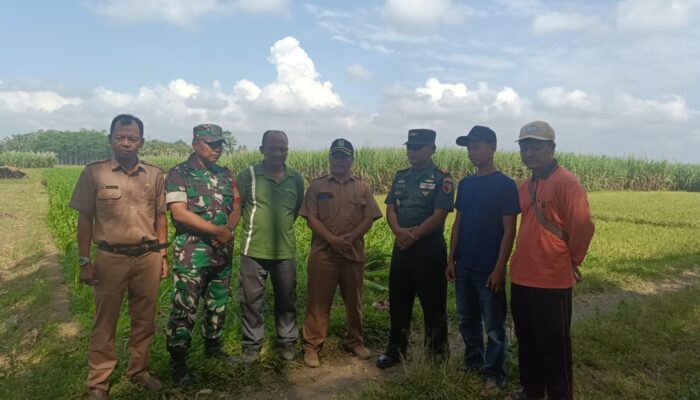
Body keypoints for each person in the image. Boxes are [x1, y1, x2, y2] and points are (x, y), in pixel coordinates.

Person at [69, 114, 168, 400]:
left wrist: (162, 256)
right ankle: (98, 383)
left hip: (147, 257)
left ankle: (139, 371)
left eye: (132, 138)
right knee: (105, 321)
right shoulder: (94, 173)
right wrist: (85, 260)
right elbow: (85, 219)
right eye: (120, 137)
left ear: (142, 142)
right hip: (109, 258)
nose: (126, 143)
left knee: (145, 319)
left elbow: (161, 217)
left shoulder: (154, 175)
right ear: (110, 139)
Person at [506, 121, 595, 400]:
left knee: (554, 345)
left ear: (551, 148)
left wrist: (572, 260)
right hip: (522, 275)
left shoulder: (567, 183)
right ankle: (532, 391)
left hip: (551, 279)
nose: (529, 153)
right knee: (527, 340)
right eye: (524, 147)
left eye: (536, 146)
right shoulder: (527, 185)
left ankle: (560, 395)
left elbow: (583, 226)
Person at [165, 124, 241, 386]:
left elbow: (237, 203)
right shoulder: (179, 173)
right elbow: (179, 213)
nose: (216, 148)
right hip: (191, 255)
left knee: (217, 303)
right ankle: (178, 361)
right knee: (184, 309)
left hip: (221, 253)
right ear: (196, 143)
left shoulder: (225, 174)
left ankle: (214, 348)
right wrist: (216, 231)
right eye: (210, 143)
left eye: (219, 143)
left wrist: (228, 230)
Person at [446, 126, 520, 396]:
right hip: (464, 265)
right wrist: (451, 258)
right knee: (466, 319)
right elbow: (458, 222)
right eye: (469, 148)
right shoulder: (466, 184)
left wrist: (500, 268)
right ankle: (473, 362)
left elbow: (510, 229)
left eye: (476, 147)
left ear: (492, 147)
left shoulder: (505, 185)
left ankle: (494, 374)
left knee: (494, 325)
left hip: (489, 269)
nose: (472, 153)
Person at [300, 138, 383, 368]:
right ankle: (312, 346)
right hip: (323, 254)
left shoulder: (363, 187)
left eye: (344, 156)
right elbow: (311, 218)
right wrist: (333, 240)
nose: (339, 160)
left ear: (351, 159)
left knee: (353, 301)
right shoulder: (317, 186)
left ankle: (354, 341)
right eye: (335, 155)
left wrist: (351, 238)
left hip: (353, 253)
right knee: (318, 301)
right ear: (330, 158)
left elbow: (370, 217)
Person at [376, 128, 454, 369]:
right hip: (402, 247)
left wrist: (414, 235)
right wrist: (399, 232)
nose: (413, 151)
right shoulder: (401, 176)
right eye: (410, 147)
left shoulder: (443, 179)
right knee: (399, 301)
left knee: (433, 304)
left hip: (429, 248)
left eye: (419, 147)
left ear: (432, 149)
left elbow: (439, 215)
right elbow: (390, 207)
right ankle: (395, 350)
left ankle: (437, 355)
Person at [236, 130, 305, 362]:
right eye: (273, 148)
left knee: (287, 298)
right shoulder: (249, 176)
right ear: (262, 149)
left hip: (284, 251)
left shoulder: (295, 179)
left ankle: (286, 342)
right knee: (250, 300)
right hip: (253, 250)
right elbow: (238, 207)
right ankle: (252, 345)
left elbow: (294, 211)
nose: (278, 153)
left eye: (283, 148)